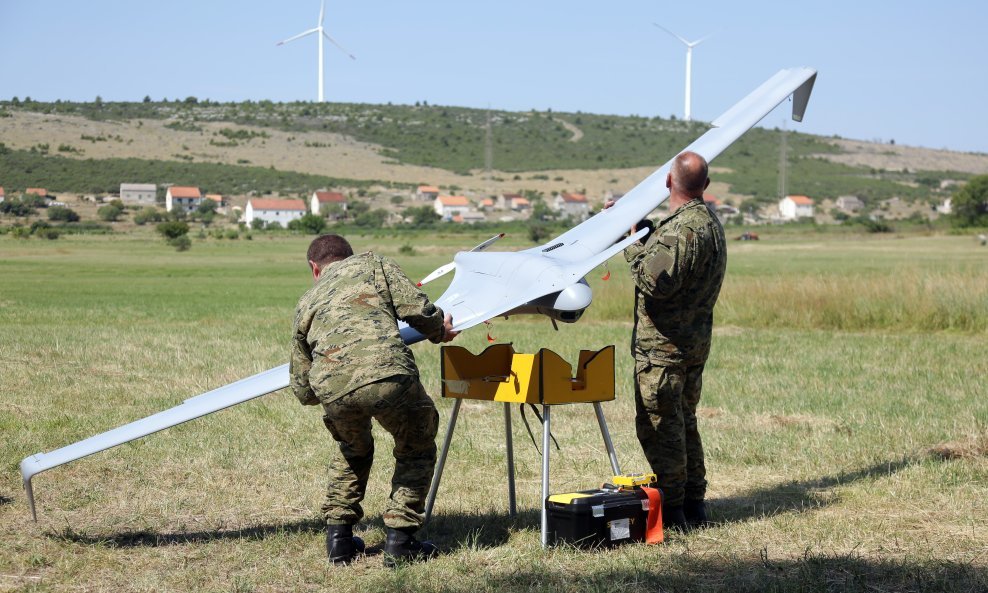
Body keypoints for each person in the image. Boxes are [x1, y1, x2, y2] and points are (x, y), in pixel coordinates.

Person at [290, 234, 458, 566]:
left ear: (315, 268)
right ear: (348, 256)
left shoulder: (307, 301)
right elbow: (417, 309)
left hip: (332, 389)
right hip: (387, 375)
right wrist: (440, 330)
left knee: (352, 449)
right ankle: (401, 541)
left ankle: (338, 541)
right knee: (416, 446)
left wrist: (328, 392)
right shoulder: (373, 264)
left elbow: (301, 386)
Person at [615, 151, 727, 531]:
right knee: (685, 422)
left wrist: (629, 243)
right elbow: (671, 261)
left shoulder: (683, 230)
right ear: (705, 185)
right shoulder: (708, 223)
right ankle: (694, 503)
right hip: (693, 345)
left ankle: (675, 510)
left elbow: (654, 280)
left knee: (661, 427)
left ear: (667, 182)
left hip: (664, 349)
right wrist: (644, 233)